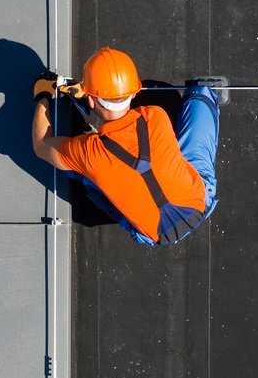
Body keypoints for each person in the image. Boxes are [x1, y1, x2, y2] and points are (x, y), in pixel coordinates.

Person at [31, 47, 219, 245]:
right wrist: (90, 95)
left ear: (92, 101)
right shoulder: (156, 115)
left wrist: (42, 97)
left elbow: (41, 145)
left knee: (80, 169)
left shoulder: (86, 151)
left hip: (156, 235)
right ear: (134, 91)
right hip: (200, 201)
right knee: (200, 99)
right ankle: (204, 93)